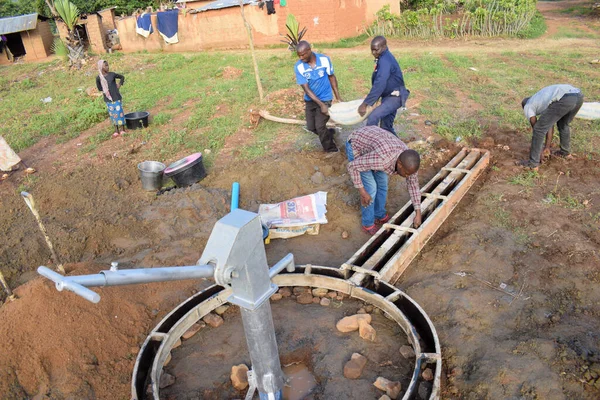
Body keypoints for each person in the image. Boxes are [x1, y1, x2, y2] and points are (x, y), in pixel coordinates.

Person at [346, 125, 421, 235]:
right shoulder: (382, 160)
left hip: (376, 145)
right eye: (406, 173)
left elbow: (414, 187)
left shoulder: (410, 164)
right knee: (371, 188)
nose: (407, 176)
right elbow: (352, 166)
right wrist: (362, 192)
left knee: (382, 184)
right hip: (357, 144)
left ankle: (379, 214)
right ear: (399, 164)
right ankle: (368, 223)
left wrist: (418, 212)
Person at [518, 84, 584, 169]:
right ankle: (565, 152)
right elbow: (549, 124)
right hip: (578, 96)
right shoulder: (541, 100)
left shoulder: (528, 105)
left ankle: (533, 163)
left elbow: (538, 128)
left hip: (564, 98)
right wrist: (547, 147)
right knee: (563, 125)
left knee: (539, 129)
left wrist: (541, 150)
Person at [294, 40, 342, 153]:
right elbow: (306, 89)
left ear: (309, 50)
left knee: (320, 126)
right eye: (299, 55)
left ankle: (332, 150)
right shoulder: (299, 67)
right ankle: (330, 133)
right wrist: (321, 105)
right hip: (311, 100)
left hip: (325, 98)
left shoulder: (324, 60)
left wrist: (338, 97)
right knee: (311, 127)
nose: (301, 57)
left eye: (303, 54)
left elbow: (331, 77)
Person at [358, 36, 409, 136]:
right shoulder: (383, 57)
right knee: (386, 127)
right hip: (389, 96)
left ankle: (369, 144)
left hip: (395, 96)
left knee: (373, 117)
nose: (373, 53)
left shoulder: (385, 61)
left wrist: (366, 103)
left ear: (384, 46)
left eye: (376, 50)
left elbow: (380, 83)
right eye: (372, 50)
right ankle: (400, 150)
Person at [96, 60, 127, 138]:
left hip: (116, 97)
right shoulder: (98, 78)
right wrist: (106, 90)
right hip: (108, 99)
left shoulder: (112, 75)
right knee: (113, 115)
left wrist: (119, 84)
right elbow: (100, 88)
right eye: (105, 66)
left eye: (108, 65)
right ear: (101, 67)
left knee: (119, 112)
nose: (107, 67)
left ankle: (122, 129)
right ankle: (116, 130)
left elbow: (122, 77)